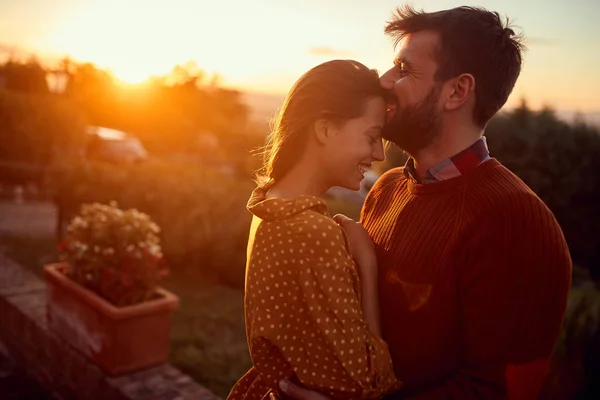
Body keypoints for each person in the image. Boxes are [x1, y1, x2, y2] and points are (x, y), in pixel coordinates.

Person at [277, 5, 572, 400]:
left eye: (404, 68)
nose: (384, 81)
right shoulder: (386, 190)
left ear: (456, 91)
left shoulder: (517, 221)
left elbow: (497, 392)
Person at [227, 60, 402, 400]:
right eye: (372, 136)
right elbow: (366, 383)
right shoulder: (312, 232)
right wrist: (367, 266)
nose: (379, 153)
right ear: (324, 129)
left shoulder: (268, 207)